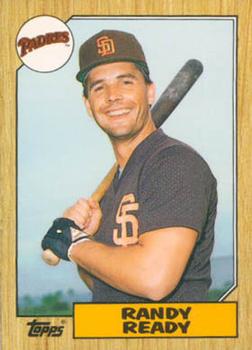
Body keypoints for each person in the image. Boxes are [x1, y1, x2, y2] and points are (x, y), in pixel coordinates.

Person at [42, 29, 217, 302]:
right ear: (88, 105)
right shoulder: (114, 188)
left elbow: (153, 279)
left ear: (150, 92)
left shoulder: (175, 164)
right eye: (99, 87)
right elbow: (104, 287)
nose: (113, 96)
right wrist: (88, 240)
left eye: (125, 82)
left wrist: (74, 243)